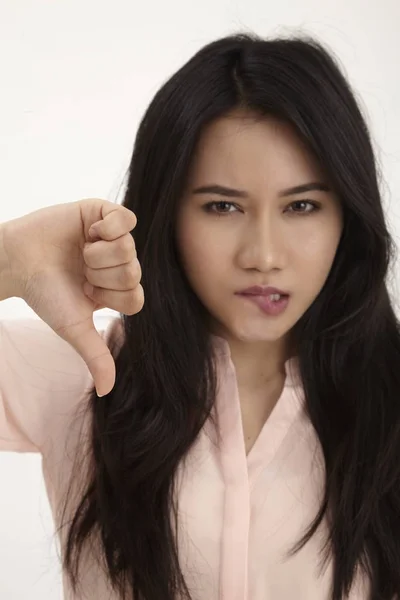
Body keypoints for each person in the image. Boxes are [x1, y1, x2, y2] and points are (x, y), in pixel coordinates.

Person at [0, 30, 398, 600]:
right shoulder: (83, 371)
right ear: (167, 214)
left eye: (302, 205)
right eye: (223, 206)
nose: (263, 255)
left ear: (348, 216)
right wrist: (8, 258)